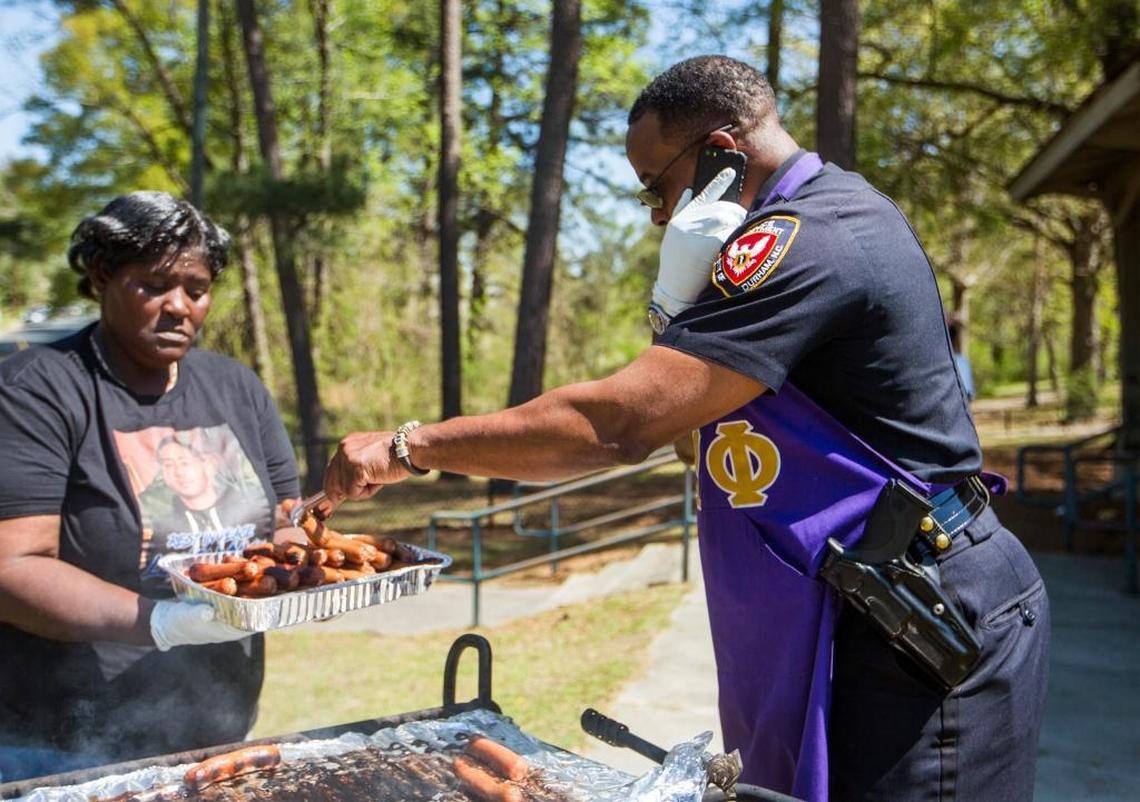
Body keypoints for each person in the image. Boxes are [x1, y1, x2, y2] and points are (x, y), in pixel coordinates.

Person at [323, 56, 1050, 802]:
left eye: (657, 186)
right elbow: (688, 440)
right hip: (878, 603)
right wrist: (674, 303)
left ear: (722, 155)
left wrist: (408, 446)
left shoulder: (814, 237)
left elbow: (616, 427)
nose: (659, 214)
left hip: (928, 611)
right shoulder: (775, 238)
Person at [0, 192, 301, 780]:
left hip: (214, 726)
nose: (179, 307)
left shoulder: (235, 388)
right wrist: (161, 622)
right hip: (65, 743)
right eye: (154, 285)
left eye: (197, 288)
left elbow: (285, 521)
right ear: (102, 275)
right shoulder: (36, 390)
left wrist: (307, 568)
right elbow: (12, 568)